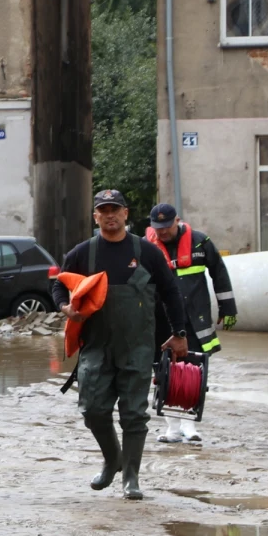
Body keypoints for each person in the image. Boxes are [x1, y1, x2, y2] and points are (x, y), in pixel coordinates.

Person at [52, 189, 189, 500]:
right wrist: (65, 308)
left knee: (133, 414)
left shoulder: (147, 252)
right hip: (96, 346)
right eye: (104, 210)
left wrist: (179, 333)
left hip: (137, 348)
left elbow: (171, 293)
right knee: (93, 410)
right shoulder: (83, 253)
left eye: (116, 209)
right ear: (95, 216)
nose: (110, 215)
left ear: (126, 214)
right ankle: (112, 458)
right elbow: (58, 285)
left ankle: (131, 477)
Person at [145, 203, 238, 443]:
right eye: (158, 228)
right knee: (163, 373)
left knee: (193, 373)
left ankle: (189, 425)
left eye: (166, 226)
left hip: (194, 320)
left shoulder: (200, 242)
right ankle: (172, 429)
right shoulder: (146, 248)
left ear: (177, 221)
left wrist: (228, 308)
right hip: (161, 320)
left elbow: (219, 273)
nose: (162, 232)